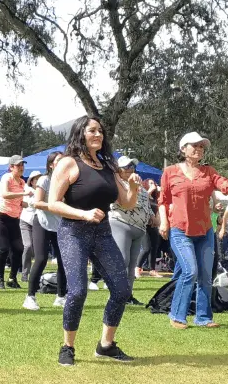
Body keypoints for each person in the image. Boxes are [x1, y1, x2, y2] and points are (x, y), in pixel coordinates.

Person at [48, 116, 140, 365]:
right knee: (77, 291)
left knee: (122, 290)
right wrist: (83, 214)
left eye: (100, 130)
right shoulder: (68, 163)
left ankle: (106, 345)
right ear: (81, 133)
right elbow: (53, 203)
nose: (98, 134)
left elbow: (127, 203)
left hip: (102, 233)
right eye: (92, 130)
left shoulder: (108, 166)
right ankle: (67, 347)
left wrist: (133, 187)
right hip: (73, 232)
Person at [159, 132, 228, 330]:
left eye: (202, 146)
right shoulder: (170, 172)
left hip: (205, 232)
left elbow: (221, 182)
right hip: (179, 230)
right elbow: (163, 201)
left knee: (205, 275)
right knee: (189, 271)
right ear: (183, 149)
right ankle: (177, 315)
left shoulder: (208, 172)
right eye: (194, 145)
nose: (199, 149)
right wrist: (163, 223)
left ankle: (203, 317)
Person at [23, 151, 67, 311]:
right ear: (50, 165)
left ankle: (61, 297)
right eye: (59, 161)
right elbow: (38, 203)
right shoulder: (44, 179)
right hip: (41, 223)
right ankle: (30, 297)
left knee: (64, 261)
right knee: (41, 259)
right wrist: (56, 205)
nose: (62, 163)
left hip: (59, 225)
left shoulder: (67, 181)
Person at [109, 156, 154, 306]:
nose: (130, 169)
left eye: (132, 167)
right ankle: (116, 295)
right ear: (118, 170)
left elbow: (145, 205)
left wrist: (152, 217)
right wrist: (132, 186)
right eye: (126, 167)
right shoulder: (117, 184)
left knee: (131, 265)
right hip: (121, 224)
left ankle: (127, 296)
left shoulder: (139, 186)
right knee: (122, 260)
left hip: (139, 229)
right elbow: (123, 203)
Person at [0, 155, 31, 289]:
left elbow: (18, 201)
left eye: (22, 165)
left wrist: (25, 203)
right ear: (11, 167)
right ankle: (0, 279)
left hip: (13, 219)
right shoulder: (6, 177)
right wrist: (23, 195)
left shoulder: (22, 182)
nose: (21, 168)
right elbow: (5, 194)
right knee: (3, 248)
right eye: (18, 165)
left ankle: (12, 278)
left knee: (19, 248)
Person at [19, 170, 42, 282]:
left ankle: (35, 275)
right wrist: (30, 202)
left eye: (39, 178)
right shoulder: (27, 191)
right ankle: (24, 273)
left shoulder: (43, 191)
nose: (38, 180)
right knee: (28, 246)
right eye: (36, 178)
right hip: (26, 221)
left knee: (38, 250)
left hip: (39, 223)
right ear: (31, 181)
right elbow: (22, 203)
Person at [138, 179, 163, 278]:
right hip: (144, 225)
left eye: (154, 183)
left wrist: (158, 222)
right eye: (151, 183)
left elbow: (157, 211)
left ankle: (152, 269)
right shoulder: (143, 194)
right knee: (146, 248)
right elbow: (141, 200)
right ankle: (137, 267)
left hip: (153, 225)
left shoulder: (155, 198)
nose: (154, 185)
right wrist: (150, 190)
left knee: (154, 248)